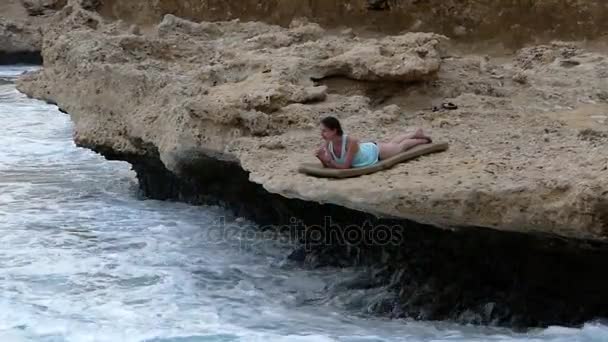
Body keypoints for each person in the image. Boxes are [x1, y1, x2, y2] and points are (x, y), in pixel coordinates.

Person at [315, 116, 432, 169]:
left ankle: (420, 139)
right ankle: (414, 133)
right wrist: (321, 158)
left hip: (374, 152)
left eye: (324, 131)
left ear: (334, 130)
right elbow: (328, 166)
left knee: (400, 147)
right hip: (367, 150)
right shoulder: (327, 143)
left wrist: (328, 160)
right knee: (392, 144)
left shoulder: (351, 142)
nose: (322, 134)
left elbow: (345, 166)